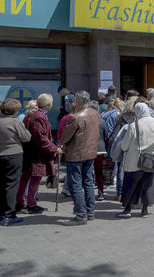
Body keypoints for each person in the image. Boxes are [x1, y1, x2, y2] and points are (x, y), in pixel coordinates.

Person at [118, 103, 154, 218]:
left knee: (131, 185)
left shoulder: (134, 125)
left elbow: (124, 146)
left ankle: (127, 209)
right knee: (148, 185)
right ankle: (144, 210)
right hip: (151, 160)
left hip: (134, 161)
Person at [0, 99, 31, 226]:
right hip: (13, 155)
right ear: (14, 111)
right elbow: (27, 137)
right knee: (11, 185)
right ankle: (9, 214)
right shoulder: (15, 122)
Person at [17, 94, 61, 214]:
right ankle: (30, 204)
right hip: (36, 153)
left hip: (31, 151)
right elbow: (40, 138)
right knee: (35, 178)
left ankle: (20, 202)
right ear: (48, 105)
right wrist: (54, 148)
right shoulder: (38, 116)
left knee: (26, 178)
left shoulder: (33, 114)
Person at [61, 91, 100, 226]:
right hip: (90, 152)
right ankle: (90, 212)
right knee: (88, 182)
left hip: (76, 154)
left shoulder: (75, 117)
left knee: (76, 184)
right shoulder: (95, 113)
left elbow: (65, 137)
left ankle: (81, 215)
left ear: (77, 101)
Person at [88, 101, 108, 201]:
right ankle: (100, 192)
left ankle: (89, 193)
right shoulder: (102, 121)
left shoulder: (86, 120)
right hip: (100, 149)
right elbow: (106, 135)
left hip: (88, 149)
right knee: (99, 172)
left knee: (88, 172)